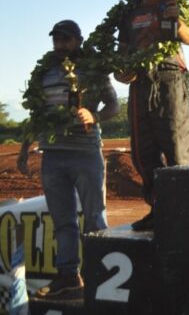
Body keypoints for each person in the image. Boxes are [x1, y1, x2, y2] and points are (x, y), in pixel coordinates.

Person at [18, 20, 119, 300]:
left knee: (95, 217)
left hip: (86, 153)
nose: (60, 45)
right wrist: (25, 148)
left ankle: (101, 279)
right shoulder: (44, 73)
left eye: (66, 40)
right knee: (62, 221)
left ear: (78, 40)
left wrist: (94, 115)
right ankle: (69, 277)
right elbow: (36, 116)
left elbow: (114, 105)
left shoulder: (94, 70)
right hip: (52, 155)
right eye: (56, 40)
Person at [116, 0, 189, 231]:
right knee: (142, 152)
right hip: (139, 83)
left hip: (169, 78)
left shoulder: (172, 4)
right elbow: (122, 54)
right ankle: (159, 209)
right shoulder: (129, 14)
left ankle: (183, 216)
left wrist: (177, 21)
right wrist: (120, 73)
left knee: (175, 147)